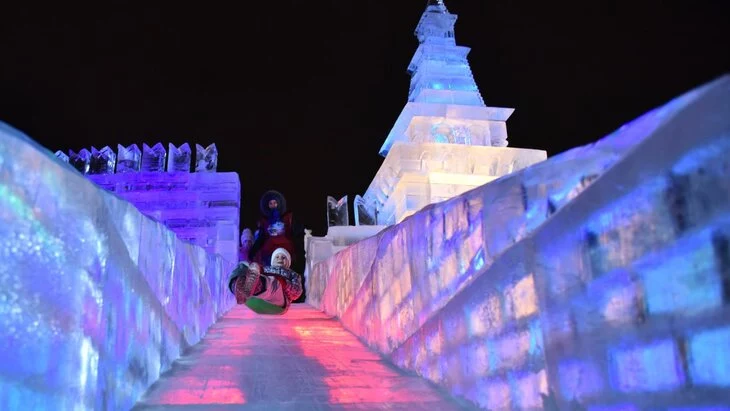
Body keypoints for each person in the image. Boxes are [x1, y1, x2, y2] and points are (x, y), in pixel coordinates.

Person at [228, 248, 303, 315]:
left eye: (283, 257)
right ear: (272, 260)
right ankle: (237, 287)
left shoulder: (293, 274)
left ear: (288, 262)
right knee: (243, 265)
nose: (280, 259)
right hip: (255, 299)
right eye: (277, 257)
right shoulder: (266, 269)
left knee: (274, 283)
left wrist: (285, 284)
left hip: (278, 305)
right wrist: (259, 270)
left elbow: (297, 292)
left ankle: (256, 286)